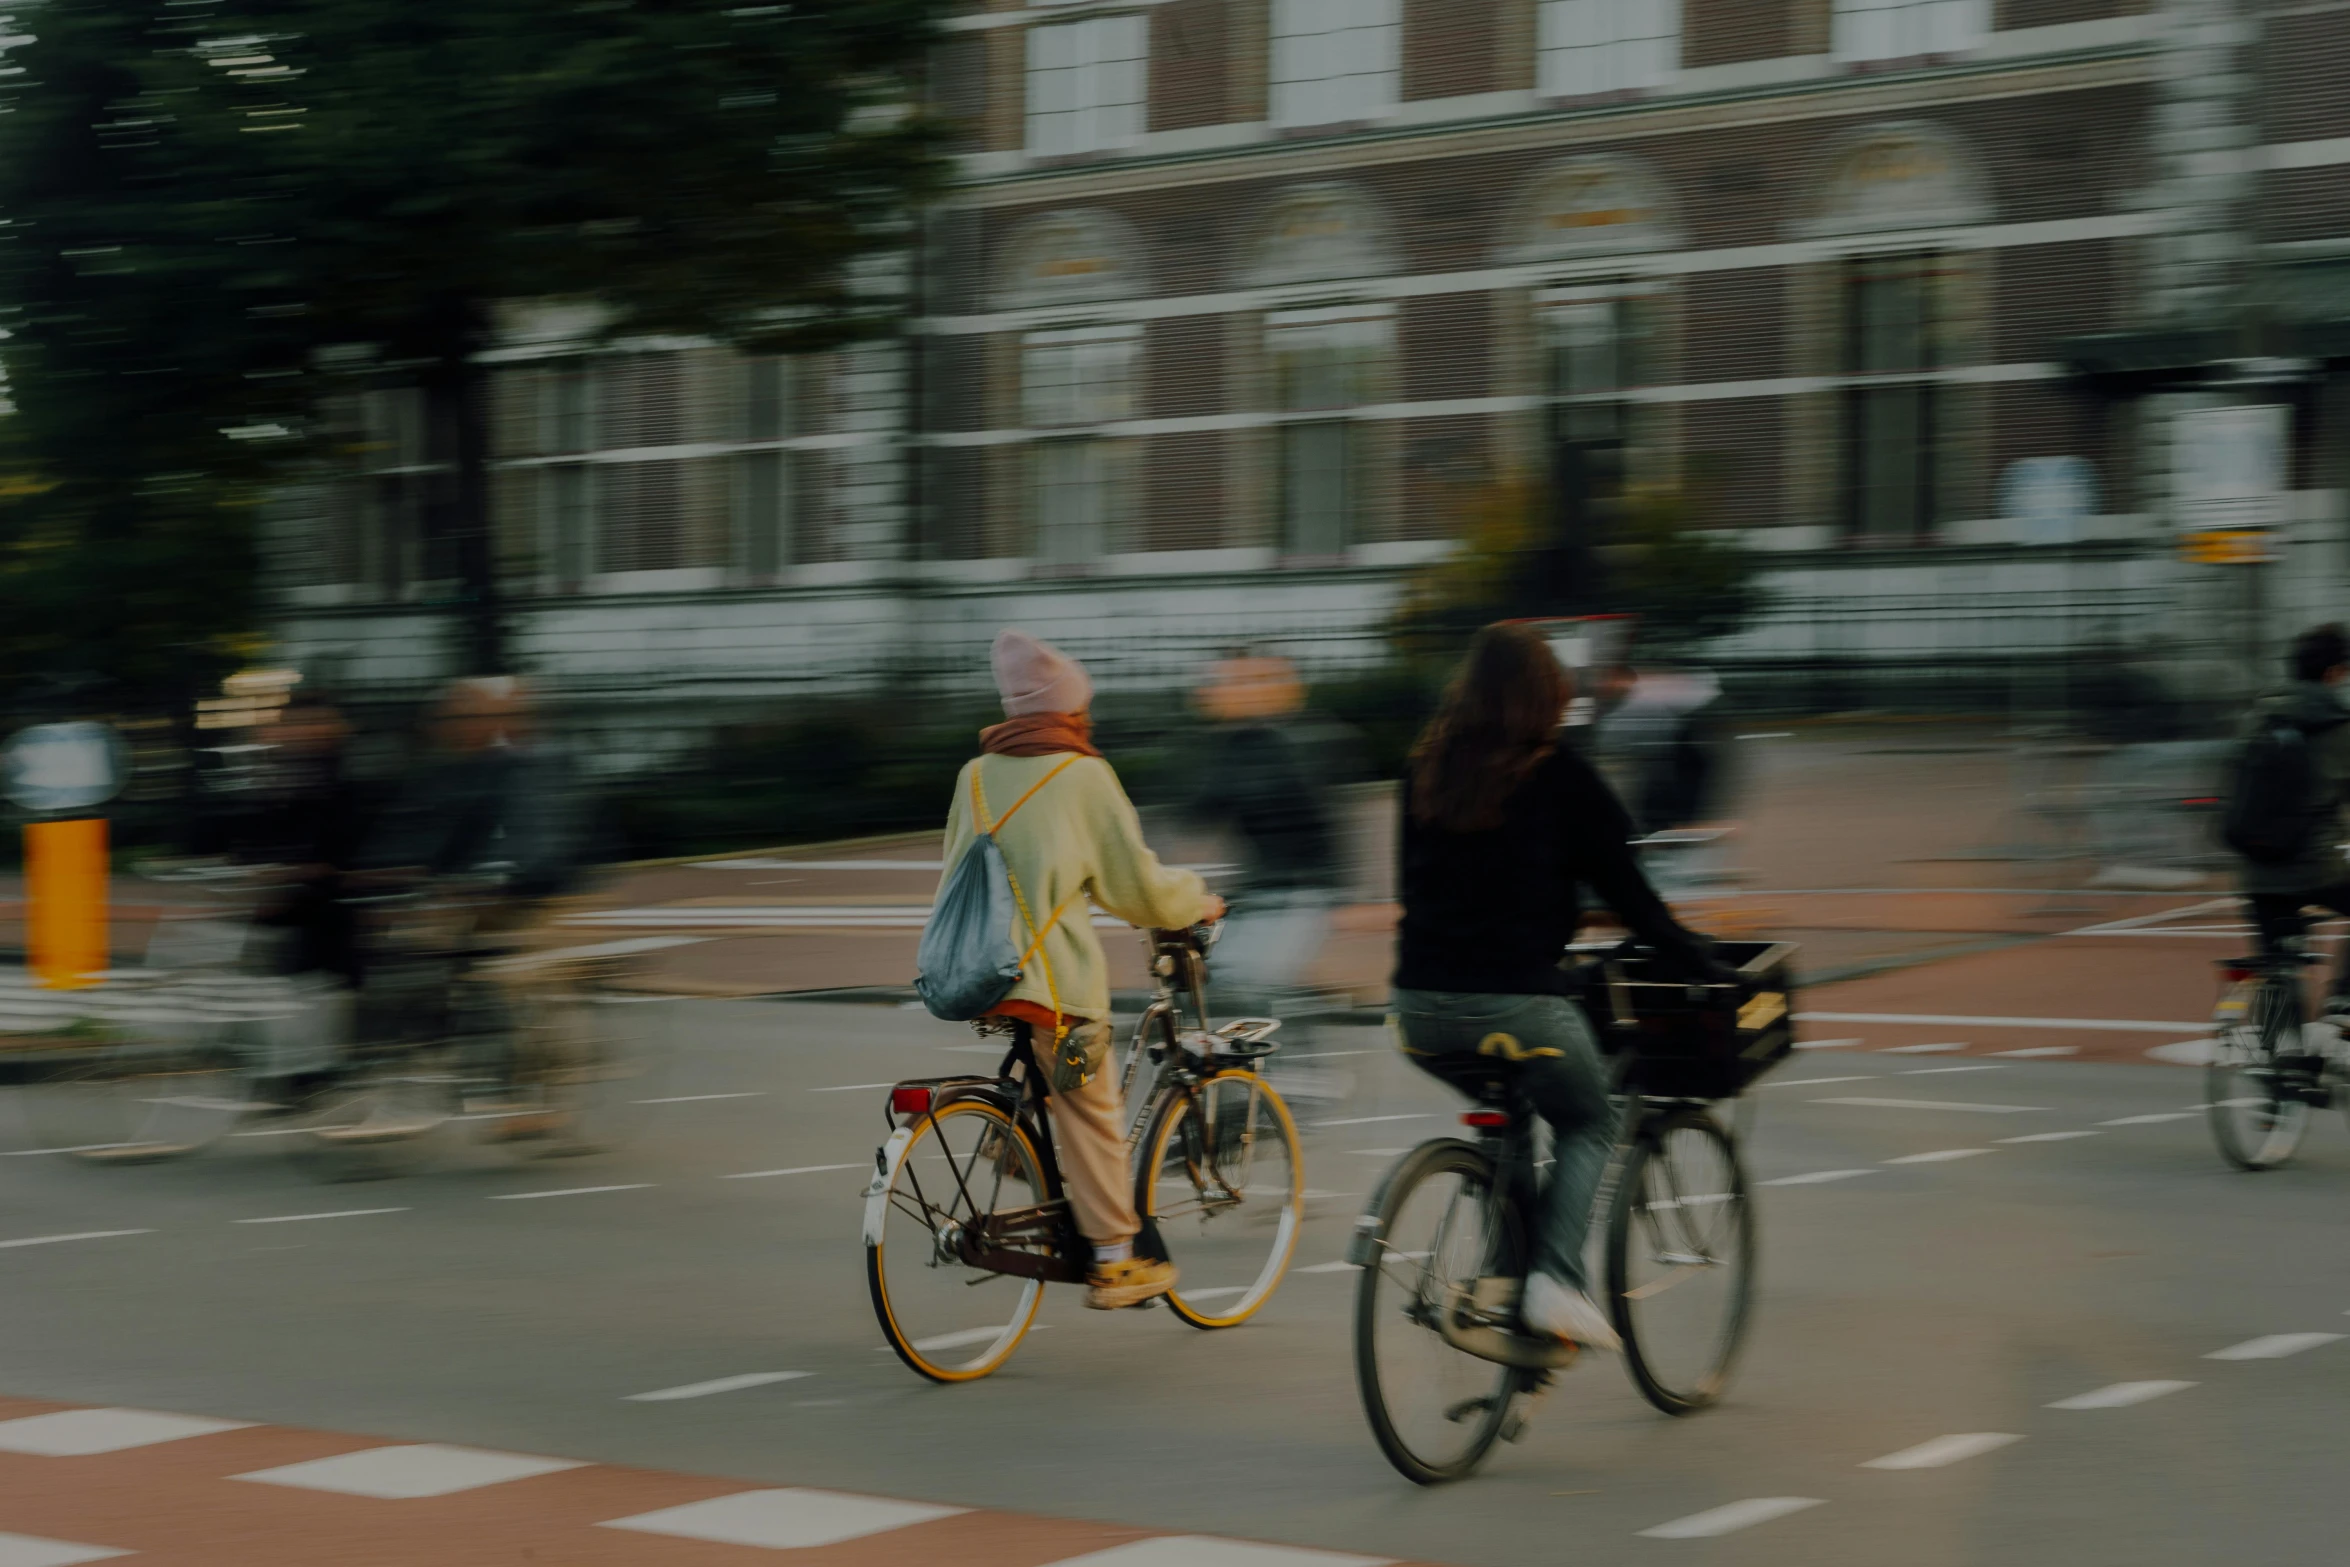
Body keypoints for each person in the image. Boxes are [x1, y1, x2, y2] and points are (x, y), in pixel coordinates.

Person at [1392, 622, 1727, 1349]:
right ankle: (1554, 1281)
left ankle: (1504, 1283)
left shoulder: (1425, 767)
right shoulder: (1561, 774)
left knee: (1510, 1121)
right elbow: (1636, 899)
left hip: (1417, 1007)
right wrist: (1702, 962)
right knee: (1590, 1118)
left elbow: (1429, 889)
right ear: (1548, 694)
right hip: (1516, 999)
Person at [939, 630, 1224, 1310]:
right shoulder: (1082, 774)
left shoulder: (974, 774)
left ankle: (1019, 1148)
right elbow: (1136, 887)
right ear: (1068, 711)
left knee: (1052, 1080)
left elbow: (957, 873)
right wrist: (1199, 899)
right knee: (1094, 1109)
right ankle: (1116, 1262)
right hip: (1055, 988)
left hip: (981, 974)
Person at [2234, 624, 2350, 1085]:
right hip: (2315, 866)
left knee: (2276, 958)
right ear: (2333, 672)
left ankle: (2278, 1074)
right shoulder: (2339, 727)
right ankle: (2342, 1001)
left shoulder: (2257, 718)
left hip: (2255, 869)